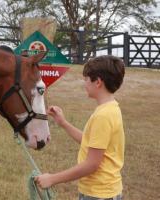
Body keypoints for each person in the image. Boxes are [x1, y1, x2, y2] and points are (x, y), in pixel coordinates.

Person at [35, 55, 125, 200]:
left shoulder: (103, 116)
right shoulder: (111, 108)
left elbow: (91, 165)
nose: (84, 83)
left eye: (86, 79)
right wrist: (63, 123)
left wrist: (52, 179)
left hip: (98, 194)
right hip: (104, 191)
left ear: (98, 82)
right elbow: (91, 143)